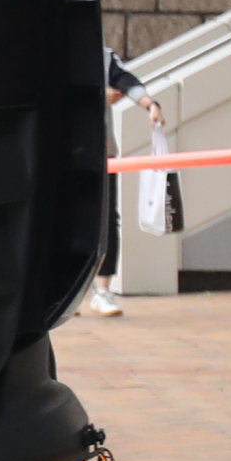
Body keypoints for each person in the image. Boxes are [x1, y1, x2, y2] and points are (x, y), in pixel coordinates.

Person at [84, 49, 159, 316]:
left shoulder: (104, 56)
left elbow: (126, 80)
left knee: (106, 220)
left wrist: (150, 105)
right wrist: (96, 95)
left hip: (103, 153)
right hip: (64, 157)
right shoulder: (56, 49)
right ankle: (69, 291)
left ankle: (102, 290)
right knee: (67, 218)